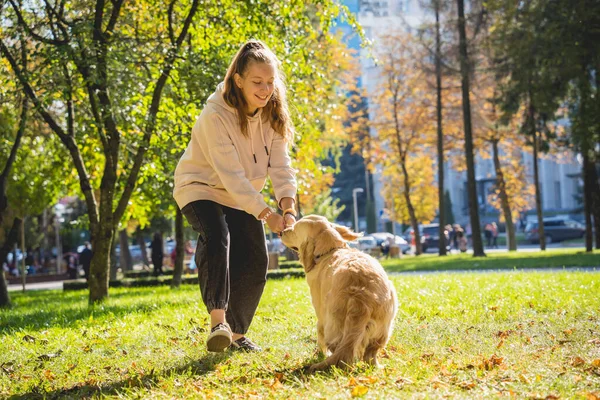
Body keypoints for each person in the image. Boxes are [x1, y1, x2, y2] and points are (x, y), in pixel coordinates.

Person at [173, 40, 297, 353]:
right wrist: (267, 214)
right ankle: (219, 323)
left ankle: (237, 335)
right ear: (238, 80)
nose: (265, 89)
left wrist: (289, 209)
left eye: (270, 82)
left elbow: (281, 167)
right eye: (257, 82)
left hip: (241, 195)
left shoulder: (273, 115)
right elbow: (231, 176)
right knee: (218, 236)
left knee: (257, 259)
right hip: (200, 185)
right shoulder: (215, 115)